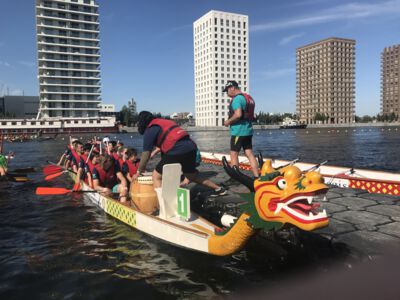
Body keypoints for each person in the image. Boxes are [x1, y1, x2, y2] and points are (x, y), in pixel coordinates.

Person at [135, 111, 227, 197]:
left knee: (156, 176)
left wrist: (139, 171)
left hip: (176, 149)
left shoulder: (150, 128)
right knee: (191, 176)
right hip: (191, 147)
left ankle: (163, 206)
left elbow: (146, 153)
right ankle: (219, 189)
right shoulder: (164, 122)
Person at [223, 80, 259, 178]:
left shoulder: (237, 99)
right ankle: (256, 176)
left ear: (232, 88)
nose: (227, 93)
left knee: (234, 154)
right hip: (248, 130)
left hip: (238, 131)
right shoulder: (248, 98)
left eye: (227, 90)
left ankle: (235, 178)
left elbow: (238, 114)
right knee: (249, 153)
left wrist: (228, 122)